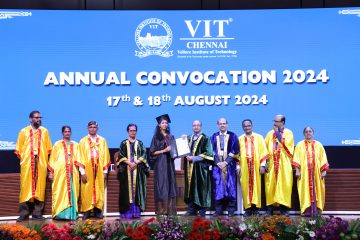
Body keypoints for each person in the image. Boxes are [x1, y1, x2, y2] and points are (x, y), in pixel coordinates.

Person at [14, 110, 52, 222]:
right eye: (36, 117)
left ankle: (37, 213)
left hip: (41, 162)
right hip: (27, 163)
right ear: (30, 119)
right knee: (26, 187)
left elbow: (49, 149)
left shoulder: (44, 131)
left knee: (40, 186)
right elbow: (18, 149)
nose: (39, 119)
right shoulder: (23, 131)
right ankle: (24, 213)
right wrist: (27, 159)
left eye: (40, 117)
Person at [292, 127, 329, 217]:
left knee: (317, 189)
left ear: (313, 133)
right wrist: (297, 170)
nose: (308, 133)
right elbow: (296, 158)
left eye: (310, 131)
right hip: (304, 173)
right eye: (306, 132)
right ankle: (306, 210)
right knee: (304, 190)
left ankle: (317, 210)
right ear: (304, 134)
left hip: (316, 172)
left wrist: (324, 170)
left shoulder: (318, 145)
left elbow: (323, 157)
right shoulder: (300, 145)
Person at [78, 121, 110, 220]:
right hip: (87, 169)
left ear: (97, 128)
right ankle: (87, 211)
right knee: (86, 189)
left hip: (99, 169)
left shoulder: (102, 140)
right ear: (87, 128)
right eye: (91, 127)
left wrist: (105, 171)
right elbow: (80, 156)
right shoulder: (83, 141)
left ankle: (97, 210)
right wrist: (82, 172)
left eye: (94, 127)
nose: (93, 129)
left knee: (99, 189)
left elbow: (106, 156)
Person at [48, 126, 80, 220]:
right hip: (60, 174)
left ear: (71, 132)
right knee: (60, 191)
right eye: (65, 131)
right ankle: (60, 214)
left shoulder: (76, 144)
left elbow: (79, 159)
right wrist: (51, 172)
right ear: (62, 133)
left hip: (72, 173)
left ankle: (71, 215)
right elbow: (53, 159)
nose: (67, 133)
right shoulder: (57, 144)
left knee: (72, 192)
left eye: (69, 131)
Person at [238, 119, 269, 216]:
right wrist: (238, 166)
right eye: (245, 126)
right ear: (243, 127)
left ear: (252, 126)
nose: (247, 127)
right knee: (245, 187)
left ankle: (256, 209)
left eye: (249, 125)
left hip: (256, 167)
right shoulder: (240, 139)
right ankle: (248, 209)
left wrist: (262, 165)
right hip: (244, 167)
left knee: (256, 187)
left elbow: (263, 152)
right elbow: (237, 154)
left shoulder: (259, 137)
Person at [117, 123, 149, 219]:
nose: (132, 132)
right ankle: (127, 213)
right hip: (126, 171)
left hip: (137, 171)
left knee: (136, 191)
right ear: (128, 131)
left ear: (136, 131)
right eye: (131, 130)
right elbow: (121, 156)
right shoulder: (123, 143)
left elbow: (144, 155)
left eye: (134, 130)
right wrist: (129, 163)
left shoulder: (140, 143)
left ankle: (135, 213)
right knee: (126, 191)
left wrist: (136, 163)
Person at [264, 114, 294, 215]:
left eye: (277, 122)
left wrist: (277, 133)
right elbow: (265, 149)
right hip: (272, 163)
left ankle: (284, 208)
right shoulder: (269, 134)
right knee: (270, 185)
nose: (274, 123)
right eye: (274, 121)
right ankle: (270, 208)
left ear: (283, 123)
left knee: (284, 185)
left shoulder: (288, 133)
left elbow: (287, 146)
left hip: (283, 163)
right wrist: (265, 163)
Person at [182, 120, 213, 217]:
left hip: (201, 169)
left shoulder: (205, 138)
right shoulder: (189, 138)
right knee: (191, 189)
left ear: (201, 126)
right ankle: (191, 209)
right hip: (190, 169)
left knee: (201, 189)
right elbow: (182, 147)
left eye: (198, 125)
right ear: (192, 127)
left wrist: (194, 158)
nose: (196, 127)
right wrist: (183, 139)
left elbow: (209, 154)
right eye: (194, 125)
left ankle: (202, 211)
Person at [210, 118, 240, 217]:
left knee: (230, 187)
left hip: (230, 166)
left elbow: (235, 150)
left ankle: (231, 210)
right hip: (217, 167)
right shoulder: (214, 136)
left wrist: (226, 162)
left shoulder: (233, 136)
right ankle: (218, 210)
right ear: (217, 125)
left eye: (224, 123)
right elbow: (211, 151)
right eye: (220, 123)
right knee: (218, 188)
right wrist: (218, 163)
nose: (222, 125)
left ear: (227, 124)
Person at [149, 114, 177, 215]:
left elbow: (175, 151)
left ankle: (170, 211)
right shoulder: (156, 137)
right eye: (162, 123)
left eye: (166, 123)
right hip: (160, 164)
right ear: (159, 125)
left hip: (169, 164)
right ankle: (161, 211)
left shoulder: (171, 136)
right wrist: (164, 150)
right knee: (161, 186)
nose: (164, 124)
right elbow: (152, 152)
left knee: (170, 185)